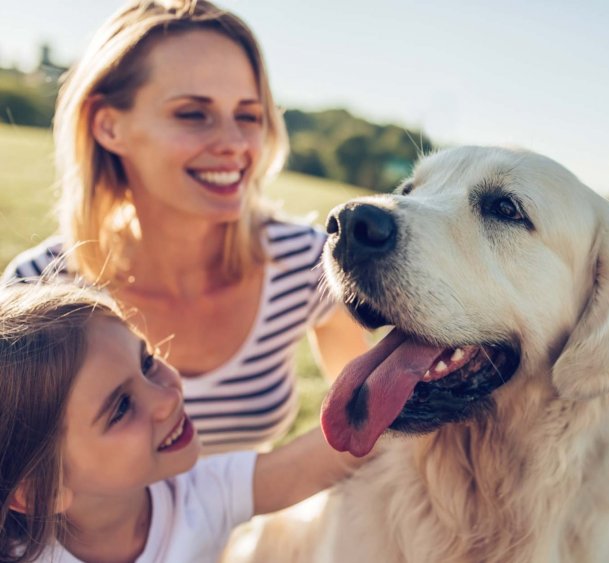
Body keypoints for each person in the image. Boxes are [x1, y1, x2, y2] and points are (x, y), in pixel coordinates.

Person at [2, 0, 370, 453]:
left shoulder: (306, 263)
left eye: (249, 116)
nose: (235, 144)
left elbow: (364, 434)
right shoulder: (36, 290)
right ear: (109, 126)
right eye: (193, 114)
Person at [0, 282, 365, 563]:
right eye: (121, 408)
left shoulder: (199, 497)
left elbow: (319, 459)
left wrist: (404, 379)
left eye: (146, 362)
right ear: (37, 492)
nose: (169, 397)